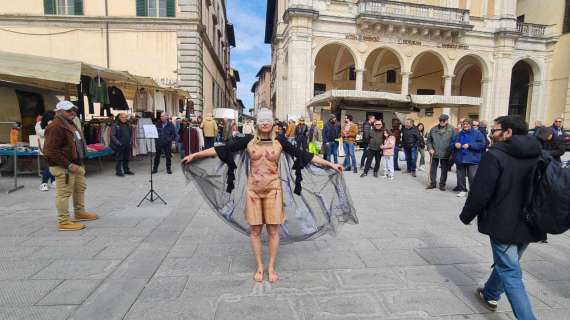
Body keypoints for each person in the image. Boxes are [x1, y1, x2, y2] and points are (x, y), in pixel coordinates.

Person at [182, 108, 351, 283]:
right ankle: (259, 267)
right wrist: (195, 155)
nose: (264, 123)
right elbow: (222, 150)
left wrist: (330, 164)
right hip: (253, 191)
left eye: (267, 120)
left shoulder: (280, 141)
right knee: (255, 230)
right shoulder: (248, 141)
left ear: (272, 123)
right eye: (261, 120)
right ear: (257, 123)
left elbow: (304, 155)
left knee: (272, 230)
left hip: (273, 190)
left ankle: (270, 267)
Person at [460, 115, 545, 320]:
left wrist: (467, 215)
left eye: (494, 130)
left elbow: (481, 191)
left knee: (511, 273)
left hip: (503, 223)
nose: (491, 134)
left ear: (508, 133)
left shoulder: (495, 155)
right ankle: (490, 293)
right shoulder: (538, 152)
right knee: (508, 264)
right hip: (531, 221)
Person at [43, 101, 98, 231]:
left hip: (75, 163)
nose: (72, 112)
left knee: (80, 188)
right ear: (59, 111)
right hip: (64, 166)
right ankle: (63, 221)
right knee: (64, 193)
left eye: (73, 110)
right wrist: (68, 165)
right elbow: (50, 151)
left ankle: (79, 212)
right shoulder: (56, 126)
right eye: (68, 110)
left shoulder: (69, 123)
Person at [450, 118, 486, 197]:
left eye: (467, 124)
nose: (465, 125)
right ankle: (463, 190)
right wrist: (455, 145)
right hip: (460, 158)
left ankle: (472, 192)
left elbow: (482, 144)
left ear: (470, 125)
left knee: (472, 177)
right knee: (460, 176)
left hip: (472, 159)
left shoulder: (477, 133)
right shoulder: (458, 134)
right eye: (464, 124)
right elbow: (451, 143)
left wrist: (470, 145)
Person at [426, 114, 454, 191]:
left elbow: (454, 141)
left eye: (443, 120)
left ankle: (442, 184)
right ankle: (433, 183)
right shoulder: (433, 129)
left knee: (444, 170)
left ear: (447, 120)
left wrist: (451, 151)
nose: (442, 121)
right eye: (440, 120)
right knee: (433, 169)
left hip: (446, 153)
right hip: (434, 152)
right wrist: (430, 148)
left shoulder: (452, 129)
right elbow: (429, 141)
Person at [36, 111, 56, 191]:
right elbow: (42, 133)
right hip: (45, 148)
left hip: (54, 147)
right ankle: (43, 183)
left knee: (53, 165)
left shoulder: (54, 124)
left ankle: (53, 181)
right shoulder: (38, 124)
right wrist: (50, 126)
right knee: (49, 165)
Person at [110, 113, 134, 177]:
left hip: (127, 144)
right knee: (119, 159)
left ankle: (126, 170)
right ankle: (118, 171)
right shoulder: (115, 125)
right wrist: (118, 143)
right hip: (119, 145)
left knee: (126, 158)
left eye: (126, 117)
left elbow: (130, 134)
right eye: (123, 117)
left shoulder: (128, 125)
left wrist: (130, 141)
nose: (124, 118)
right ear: (119, 118)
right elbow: (112, 135)